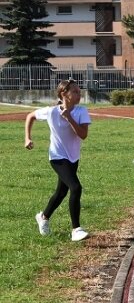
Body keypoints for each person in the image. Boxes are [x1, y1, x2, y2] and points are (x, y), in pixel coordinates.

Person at [25, 79, 91, 242]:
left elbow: (83, 135)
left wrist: (69, 118)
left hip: (73, 157)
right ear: (64, 94)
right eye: (75, 92)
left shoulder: (81, 111)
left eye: (79, 91)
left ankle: (43, 217)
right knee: (75, 187)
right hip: (57, 157)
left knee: (61, 192)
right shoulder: (51, 111)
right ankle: (76, 229)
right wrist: (27, 138)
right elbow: (30, 116)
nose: (79, 94)